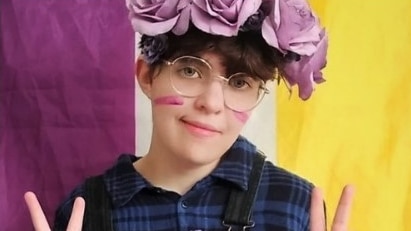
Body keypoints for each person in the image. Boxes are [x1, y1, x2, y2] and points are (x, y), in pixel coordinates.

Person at [25, 0, 355, 230]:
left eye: (239, 82)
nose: (211, 103)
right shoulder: (84, 210)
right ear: (146, 76)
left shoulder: (294, 205)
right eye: (190, 71)